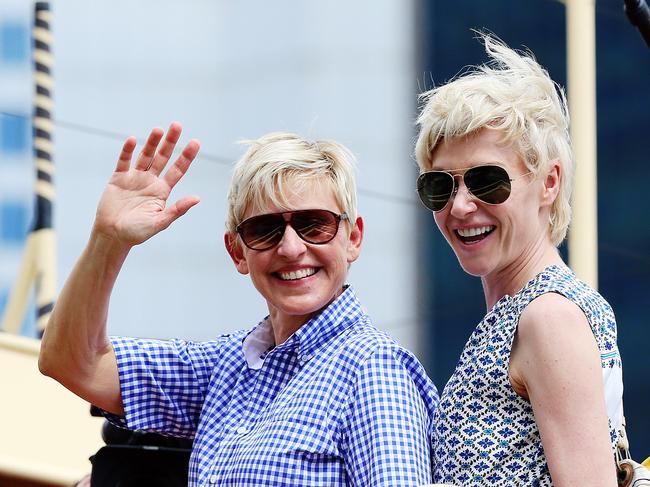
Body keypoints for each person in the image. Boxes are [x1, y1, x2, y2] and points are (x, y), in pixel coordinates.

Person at [39, 123, 439, 486]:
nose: (291, 248)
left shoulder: (375, 370)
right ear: (237, 252)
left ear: (352, 238)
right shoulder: (225, 367)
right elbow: (73, 362)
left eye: (314, 224)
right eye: (264, 230)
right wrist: (109, 240)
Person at [414, 34, 623, 486]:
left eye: (487, 181)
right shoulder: (523, 313)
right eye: (439, 186)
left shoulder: (548, 317)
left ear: (548, 183)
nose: (461, 206)